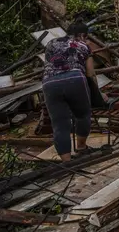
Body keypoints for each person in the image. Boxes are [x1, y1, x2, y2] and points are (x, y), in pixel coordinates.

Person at [42, 20, 104, 162]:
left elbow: (48, 64)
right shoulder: (84, 46)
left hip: (49, 83)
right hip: (75, 79)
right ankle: (81, 148)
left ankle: (67, 163)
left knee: (59, 124)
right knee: (82, 115)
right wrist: (98, 94)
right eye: (86, 37)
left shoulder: (51, 43)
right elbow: (90, 74)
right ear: (82, 35)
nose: (86, 39)